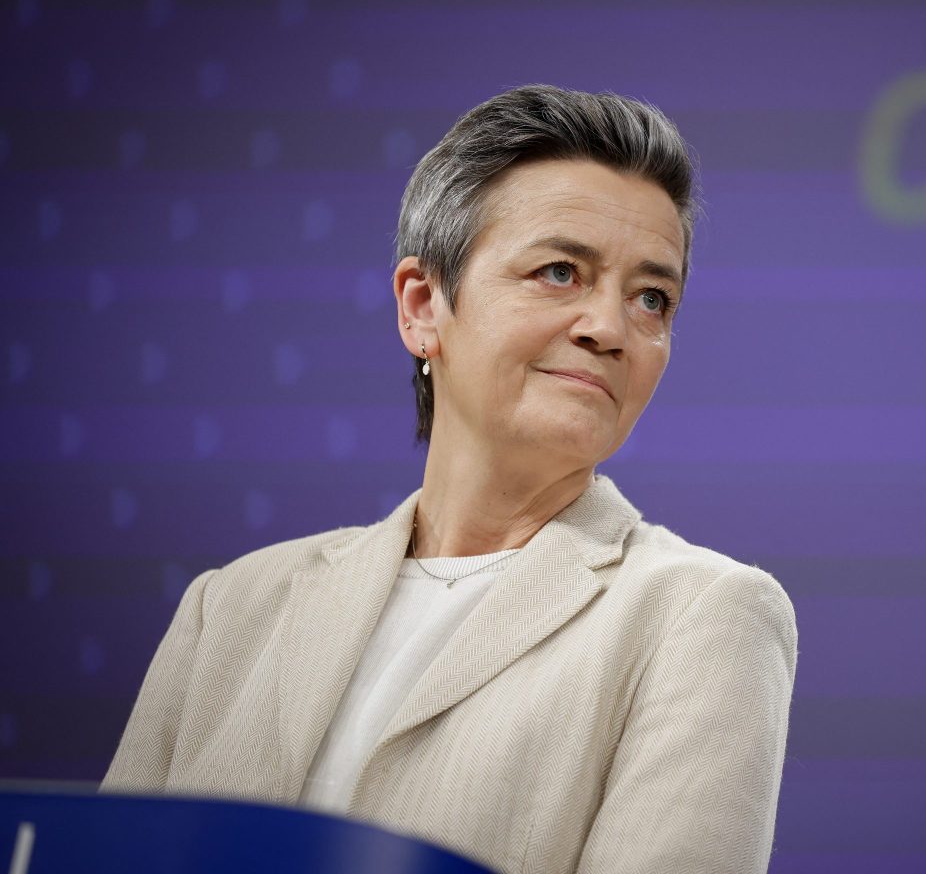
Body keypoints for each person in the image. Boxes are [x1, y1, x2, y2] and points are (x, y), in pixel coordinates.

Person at [100, 85, 798, 874]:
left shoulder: (703, 617)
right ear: (423, 305)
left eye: (651, 298)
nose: (610, 328)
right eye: (561, 271)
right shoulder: (230, 608)